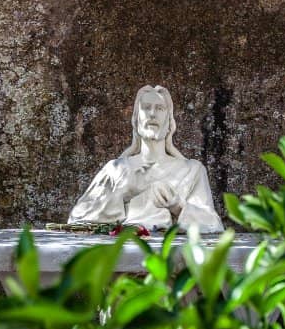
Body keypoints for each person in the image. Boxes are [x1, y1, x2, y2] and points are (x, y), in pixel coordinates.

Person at [68, 85, 224, 233]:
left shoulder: (192, 170)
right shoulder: (116, 170)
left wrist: (178, 206)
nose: (152, 114)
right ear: (136, 119)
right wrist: (120, 194)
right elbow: (77, 219)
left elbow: (213, 224)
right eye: (146, 108)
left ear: (169, 121)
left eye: (160, 108)